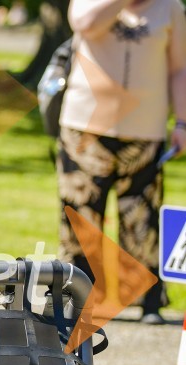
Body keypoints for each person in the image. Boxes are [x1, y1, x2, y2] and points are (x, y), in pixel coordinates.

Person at [57, 0, 186, 324]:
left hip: (144, 133)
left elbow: (179, 68)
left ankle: (149, 302)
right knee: (81, 217)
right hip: (84, 130)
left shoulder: (169, 7)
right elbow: (84, 24)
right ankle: (78, 301)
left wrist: (182, 122)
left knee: (141, 218)